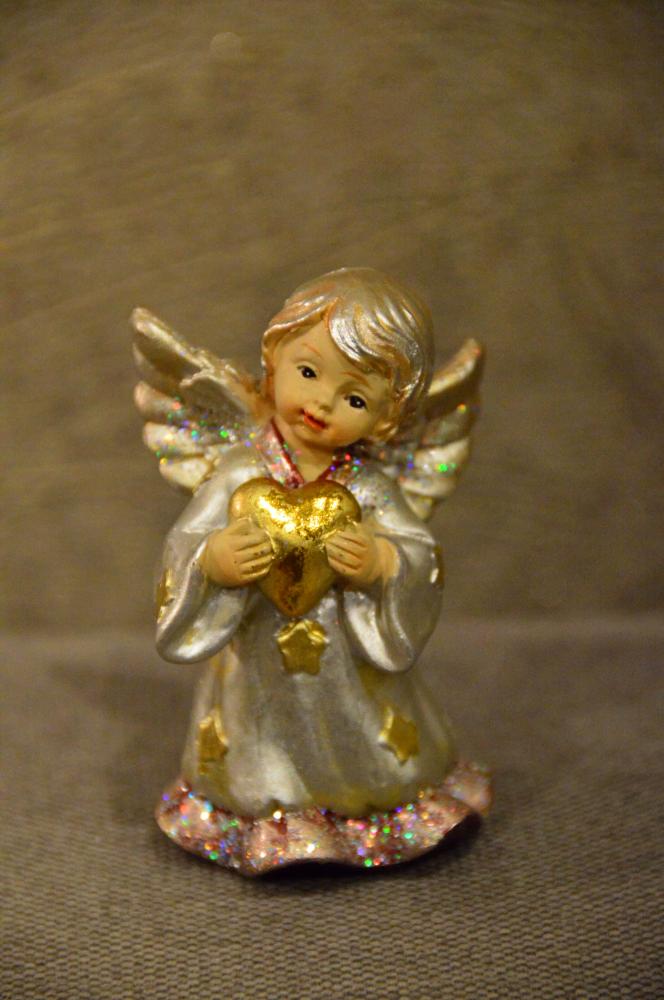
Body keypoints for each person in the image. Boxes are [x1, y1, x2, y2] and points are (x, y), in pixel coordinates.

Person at [135, 268, 491, 874]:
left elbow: (418, 552)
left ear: (386, 421)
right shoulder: (238, 474)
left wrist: (383, 562)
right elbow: (185, 542)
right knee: (262, 729)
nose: (323, 403)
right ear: (272, 359)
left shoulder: (369, 486)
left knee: (363, 729)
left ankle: (373, 807)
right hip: (259, 662)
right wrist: (213, 561)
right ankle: (273, 813)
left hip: (348, 671)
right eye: (308, 372)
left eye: (355, 399)